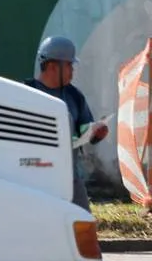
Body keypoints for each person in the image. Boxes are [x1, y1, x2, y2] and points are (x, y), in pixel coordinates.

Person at [24, 36, 108, 211]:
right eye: (69, 65)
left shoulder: (74, 96)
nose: (72, 70)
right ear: (53, 66)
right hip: (33, 176)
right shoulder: (25, 93)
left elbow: (84, 128)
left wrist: (96, 132)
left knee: (82, 222)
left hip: (70, 177)